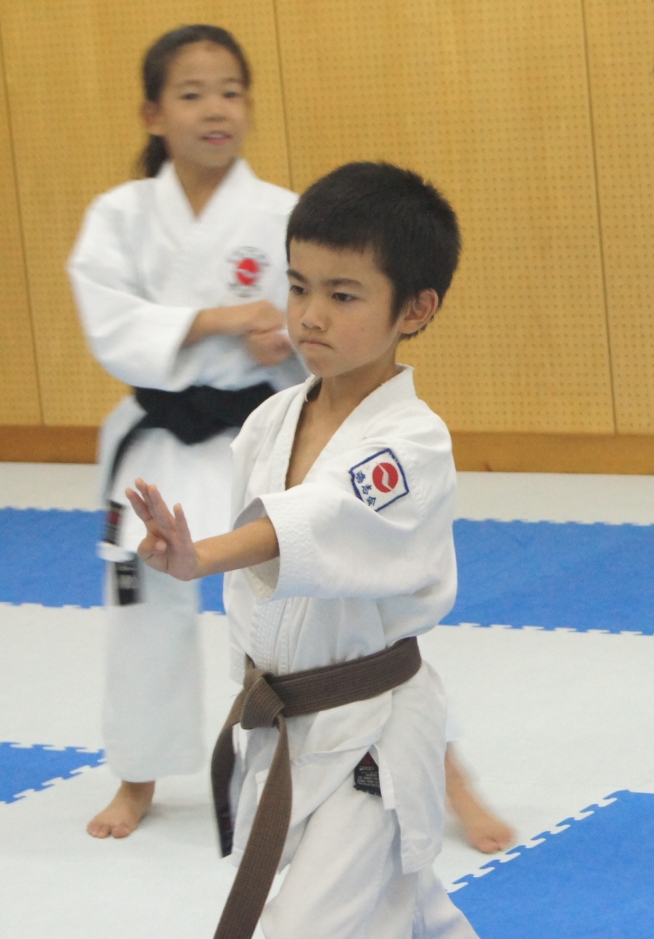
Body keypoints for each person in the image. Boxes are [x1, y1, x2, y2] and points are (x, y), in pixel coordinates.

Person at [124, 162, 478, 938]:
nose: (310, 315)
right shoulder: (271, 420)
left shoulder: (411, 441)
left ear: (415, 310)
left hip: (369, 733)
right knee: (410, 911)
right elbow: (261, 598)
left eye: (343, 295)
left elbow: (323, 519)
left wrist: (199, 556)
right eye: (298, 286)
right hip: (287, 725)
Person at [67, 24, 306, 840]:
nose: (217, 109)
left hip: (258, 434)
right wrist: (221, 318)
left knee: (296, 600)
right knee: (143, 610)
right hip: (158, 441)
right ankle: (137, 777)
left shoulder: (284, 213)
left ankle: (321, 758)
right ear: (153, 112)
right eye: (193, 93)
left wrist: (291, 338)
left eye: (232, 91)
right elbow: (109, 323)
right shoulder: (120, 216)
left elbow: (326, 312)